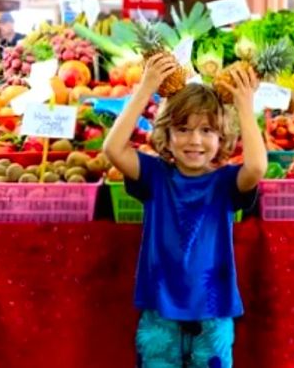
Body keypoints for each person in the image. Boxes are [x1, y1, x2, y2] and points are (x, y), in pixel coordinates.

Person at [103, 55, 267, 368]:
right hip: (159, 313)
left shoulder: (226, 183)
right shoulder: (154, 176)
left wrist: (244, 105)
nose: (195, 140)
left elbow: (257, 166)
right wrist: (145, 88)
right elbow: (113, 149)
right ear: (166, 134)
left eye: (207, 130)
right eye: (183, 129)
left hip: (213, 313)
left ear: (222, 138)